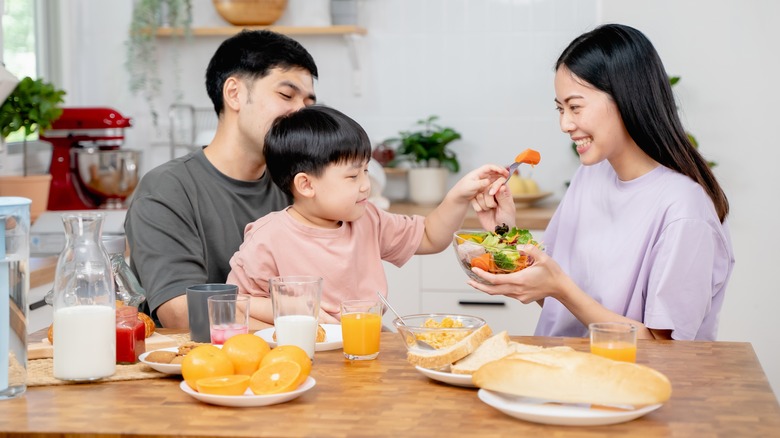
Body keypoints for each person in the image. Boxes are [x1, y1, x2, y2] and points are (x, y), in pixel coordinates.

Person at [469, 24, 735, 341]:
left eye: (575, 107)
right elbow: (551, 297)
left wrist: (562, 289)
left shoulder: (684, 209)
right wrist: (505, 232)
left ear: (625, 98)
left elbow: (664, 348)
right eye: (560, 109)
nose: (565, 124)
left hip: (633, 386)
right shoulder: (591, 176)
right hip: (564, 374)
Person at [226, 105, 508, 325]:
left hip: (365, 345)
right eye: (352, 176)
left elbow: (430, 237)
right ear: (306, 185)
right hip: (299, 352)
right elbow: (236, 302)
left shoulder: (367, 218)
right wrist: (288, 307)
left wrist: (458, 195)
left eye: (365, 170)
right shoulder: (268, 237)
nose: (365, 184)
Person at [125, 30, 318, 328]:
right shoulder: (166, 189)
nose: (301, 113)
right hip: (202, 369)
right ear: (234, 94)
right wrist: (301, 324)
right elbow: (180, 312)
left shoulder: (297, 186)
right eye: (286, 95)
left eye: (308, 102)